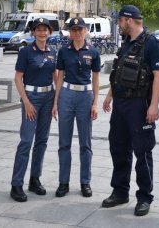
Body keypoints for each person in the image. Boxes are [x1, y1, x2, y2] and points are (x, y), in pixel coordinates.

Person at [101, 4, 159, 217]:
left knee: (142, 151)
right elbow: (118, 73)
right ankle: (120, 191)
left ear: (129, 20)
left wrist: (153, 105)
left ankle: (144, 196)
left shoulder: (152, 43)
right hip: (120, 104)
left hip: (139, 105)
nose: (118, 24)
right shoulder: (126, 43)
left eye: (119, 20)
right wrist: (109, 96)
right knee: (118, 149)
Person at [52, 16, 101, 198]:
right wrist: (56, 102)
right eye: (74, 30)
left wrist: (95, 102)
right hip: (66, 95)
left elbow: (96, 78)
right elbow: (59, 77)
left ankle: (85, 182)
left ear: (85, 31)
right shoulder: (64, 51)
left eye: (80, 29)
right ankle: (63, 182)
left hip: (85, 97)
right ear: (70, 33)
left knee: (85, 143)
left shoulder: (94, 52)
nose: (77, 33)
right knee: (64, 142)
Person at [10, 17, 57, 202]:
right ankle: (16, 184)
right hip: (32, 98)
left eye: (45, 29)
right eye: (39, 29)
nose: (42, 32)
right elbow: (18, 78)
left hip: (48, 97)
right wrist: (27, 102)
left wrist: (55, 102)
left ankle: (34, 179)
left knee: (42, 141)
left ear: (49, 32)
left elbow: (56, 76)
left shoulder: (53, 52)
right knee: (26, 141)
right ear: (33, 32)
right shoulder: (26, 52)